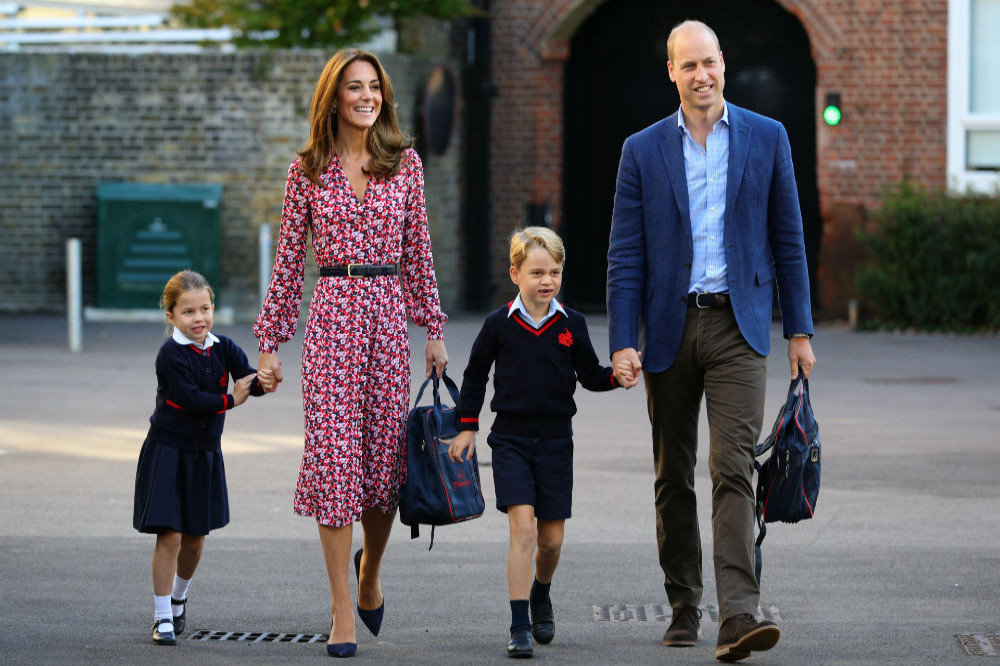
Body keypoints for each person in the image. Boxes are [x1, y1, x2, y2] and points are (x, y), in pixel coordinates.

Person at [606, 19, 817, 663]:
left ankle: (737, 615)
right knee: (673, 475)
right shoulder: (641, 150)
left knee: (733, 469)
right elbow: (626, 256)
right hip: (668, 328)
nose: (702, 75)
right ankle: (683, 600)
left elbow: (789, 238)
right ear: (671, 72)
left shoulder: (767, 136)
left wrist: (800, 329)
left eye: (710, 63)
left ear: (724, 64)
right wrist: (621, 340)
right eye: (688, 65)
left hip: (739, 325)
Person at [253, 48, 449, 659]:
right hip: (333, 318)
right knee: (336, 465)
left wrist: (433, 327)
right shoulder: (306, 170)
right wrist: (270, 343)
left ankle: (370, 576)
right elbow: (288, 264)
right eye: (354, 88)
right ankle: (341, 609)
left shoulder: (405, 165)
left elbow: (419, 253)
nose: (366, 97)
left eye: (374, 87)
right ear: (333, 98)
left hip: (389, 319)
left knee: (384, 474)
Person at [447, 227, 624, 659]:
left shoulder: (572, 324)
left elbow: (590, 375)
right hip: (509, 440)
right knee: (522, 530)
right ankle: (519, 624)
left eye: (555, 272)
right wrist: (467, 426)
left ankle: (541, 591)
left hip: (555, 442)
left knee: (551, 541)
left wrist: (617, 377)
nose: (547, 281)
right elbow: (474, 376)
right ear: (516, 273)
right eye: (537, 272)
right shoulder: (497, 325)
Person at [133, 269, 269, 645]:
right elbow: (191, 399)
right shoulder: (170, 355)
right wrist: (232, 400)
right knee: (170, 534)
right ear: (171, 316)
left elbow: (247, 378)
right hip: (168, 452)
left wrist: (264, 380)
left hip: (204, 455)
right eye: (189, 312)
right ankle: (162, 616)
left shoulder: (222, 346)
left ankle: (178, 599)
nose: (199, 318)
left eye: (205, 308)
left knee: (195, 537)